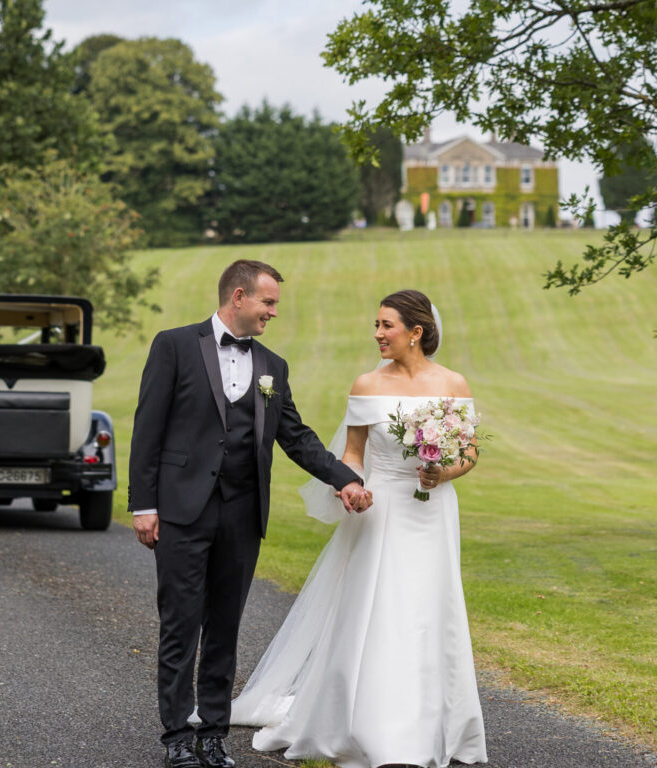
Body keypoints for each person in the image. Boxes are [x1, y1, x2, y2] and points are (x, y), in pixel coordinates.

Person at [128, 259, 373, 768]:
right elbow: (147, 428)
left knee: (224, 627)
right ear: (238, 297)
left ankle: (213, 735)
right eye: (268, 302)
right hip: (180, 512)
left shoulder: (272, 366)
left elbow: (296, 437)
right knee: (180, 624)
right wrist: (143, 505)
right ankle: (176, 737)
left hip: (242, 515)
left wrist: (344, 477)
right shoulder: (173, 346)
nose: (273, 312)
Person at [231, 289, 488, 768]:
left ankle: (436, 723)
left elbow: (469, 452)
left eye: (386, 325)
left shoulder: (453, 382)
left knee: (431, 609)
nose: (377, 334)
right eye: (376, 324)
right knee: (381, 608)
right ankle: (367, 724)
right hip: (381, 508)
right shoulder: (368, 384)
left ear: (416, 331)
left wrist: (444, 472)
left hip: (433, 511)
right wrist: (349, 485)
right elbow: (352, 453)